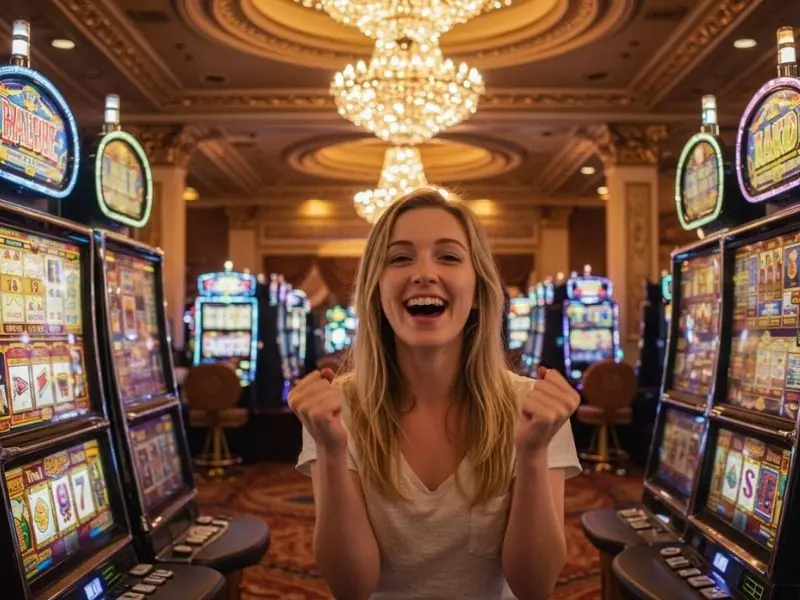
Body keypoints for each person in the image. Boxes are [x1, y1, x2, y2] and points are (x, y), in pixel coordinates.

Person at [290, 187, 582, 600]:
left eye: (448, 256)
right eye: (400, 258)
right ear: (375, 291)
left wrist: (532, 454)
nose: (423, 273)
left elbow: (533, 587)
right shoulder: (337, 409)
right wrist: (332, 451)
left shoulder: (532, 407)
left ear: (480, 290)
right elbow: (351, 588)